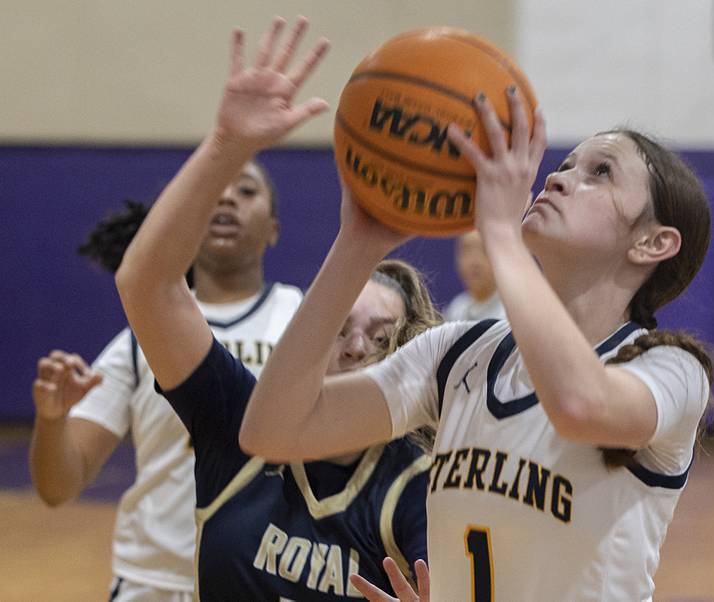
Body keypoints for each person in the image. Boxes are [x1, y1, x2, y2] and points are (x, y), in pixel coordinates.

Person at [239, 78, 714, 599]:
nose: (558, 180)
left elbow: (579, 404)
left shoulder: (671, 369)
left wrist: (500, 235)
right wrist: (356, 245)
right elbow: (272, 430)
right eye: (562, 168)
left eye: (599, 173)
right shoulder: (457, 353)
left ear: (654, 243)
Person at [114, 16, 438, 600]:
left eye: (383, 336)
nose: (357, 346)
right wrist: (227, 146)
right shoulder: (237, 421)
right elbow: (148, 284)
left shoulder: (414, 486)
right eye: (338, 328)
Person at [29, 155, 299, 601]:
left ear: (273, 229)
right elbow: (59, 486)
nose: (227, 197)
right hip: (154, 581)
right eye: (213, 194)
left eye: (247, 190)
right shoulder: (143, 336)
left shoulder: (307, 323)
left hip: (271, 579)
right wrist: (52, 419)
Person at [444, 229, 506, 321]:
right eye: (467, 250)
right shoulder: (456, 308)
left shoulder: (514, 313)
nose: (475, 262)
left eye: (484, 250)